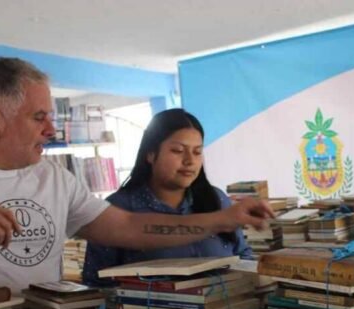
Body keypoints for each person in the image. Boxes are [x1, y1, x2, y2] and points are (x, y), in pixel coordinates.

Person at [0, 57, 273, 298]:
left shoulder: (54, 178)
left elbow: (130, 227)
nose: (52, 129)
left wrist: (220, 220)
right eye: (39, 116)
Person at [82, 109, 251, 286]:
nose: (189, 161)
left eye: (197, 152)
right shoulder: (117, 209)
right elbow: (96, 283)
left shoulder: (217, 200)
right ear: (151, 154)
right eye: (178, 151)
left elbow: (243, 257)